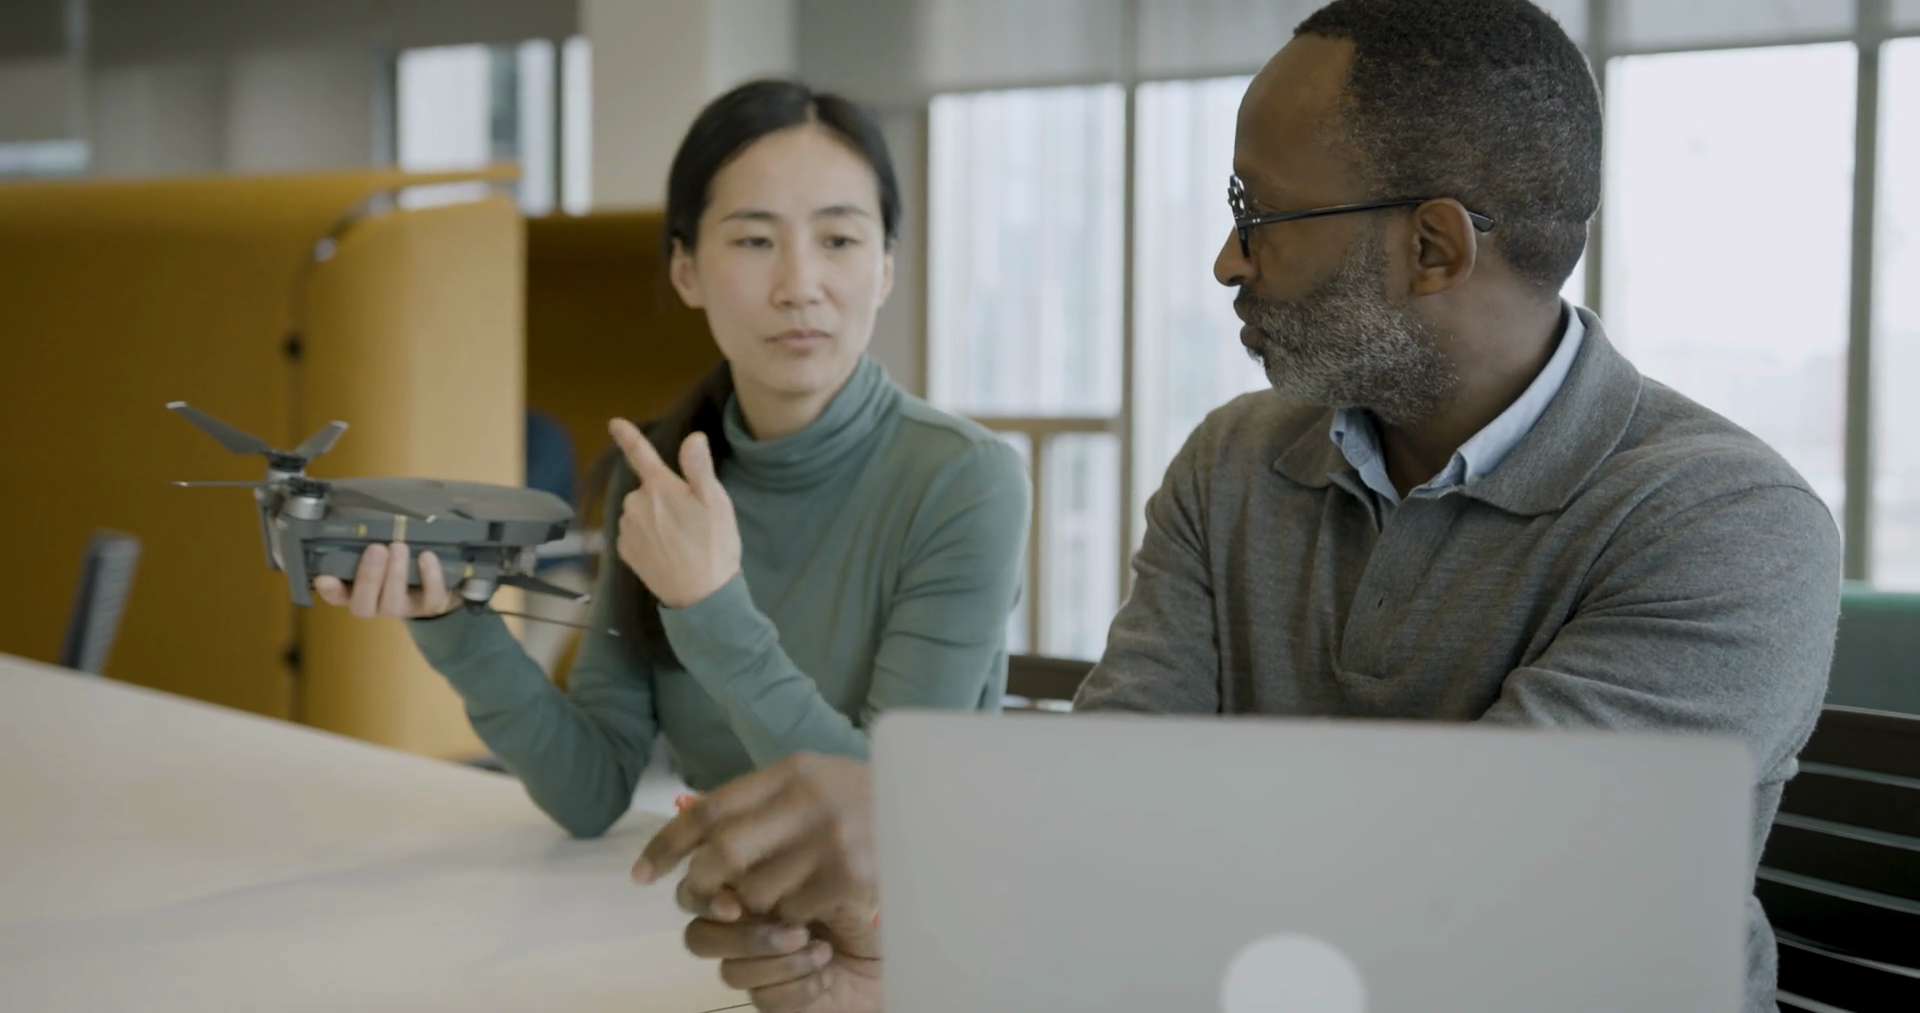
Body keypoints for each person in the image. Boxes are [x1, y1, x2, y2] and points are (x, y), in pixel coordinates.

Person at [634, 2, 1841, 1011]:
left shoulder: (1726, 526)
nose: (1227, 259)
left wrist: (934, 826)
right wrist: (923, 965)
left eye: (1260, 215)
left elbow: (1471, 887)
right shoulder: (1234, 463)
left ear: (1434, 247)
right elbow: (1116, 793)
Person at [311, 78, 1030, 840]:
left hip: (899, 908)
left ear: (885, 266)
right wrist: (456, 622)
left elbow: (885, 814)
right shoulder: (660, 477)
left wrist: (710, 605)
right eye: (754, 241)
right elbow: (591, 788)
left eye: (839, 240)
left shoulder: (965, 482)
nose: (799, 286)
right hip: (707, 895)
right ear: (686, 269)